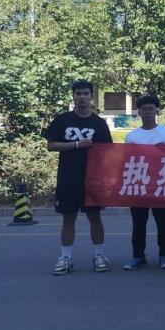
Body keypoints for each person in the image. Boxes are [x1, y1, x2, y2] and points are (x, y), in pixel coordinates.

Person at [44, 80, 113, 275]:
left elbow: (108, 151)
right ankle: (65, 258)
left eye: (85, 93)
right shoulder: (62, 120)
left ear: (92, 96)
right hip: (68, 178)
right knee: (68, 218)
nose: (82, 97)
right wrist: (76, 145)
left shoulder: (99, 123)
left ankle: (99, 256)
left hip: (92, 179)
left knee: (95, 217)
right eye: (78, 93)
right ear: (73, 96)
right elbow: (51, 145)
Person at [123, 95, 165, 270]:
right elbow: (126, 160)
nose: (147, 112)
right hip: (139, 183)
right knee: (138, 222)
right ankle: (138, 256)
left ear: (157, 111)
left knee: (163, 221)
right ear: (138, 112)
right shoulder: (132, 136)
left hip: (161, 182)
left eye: (151, 108)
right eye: (144, 109)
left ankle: (164, 256)